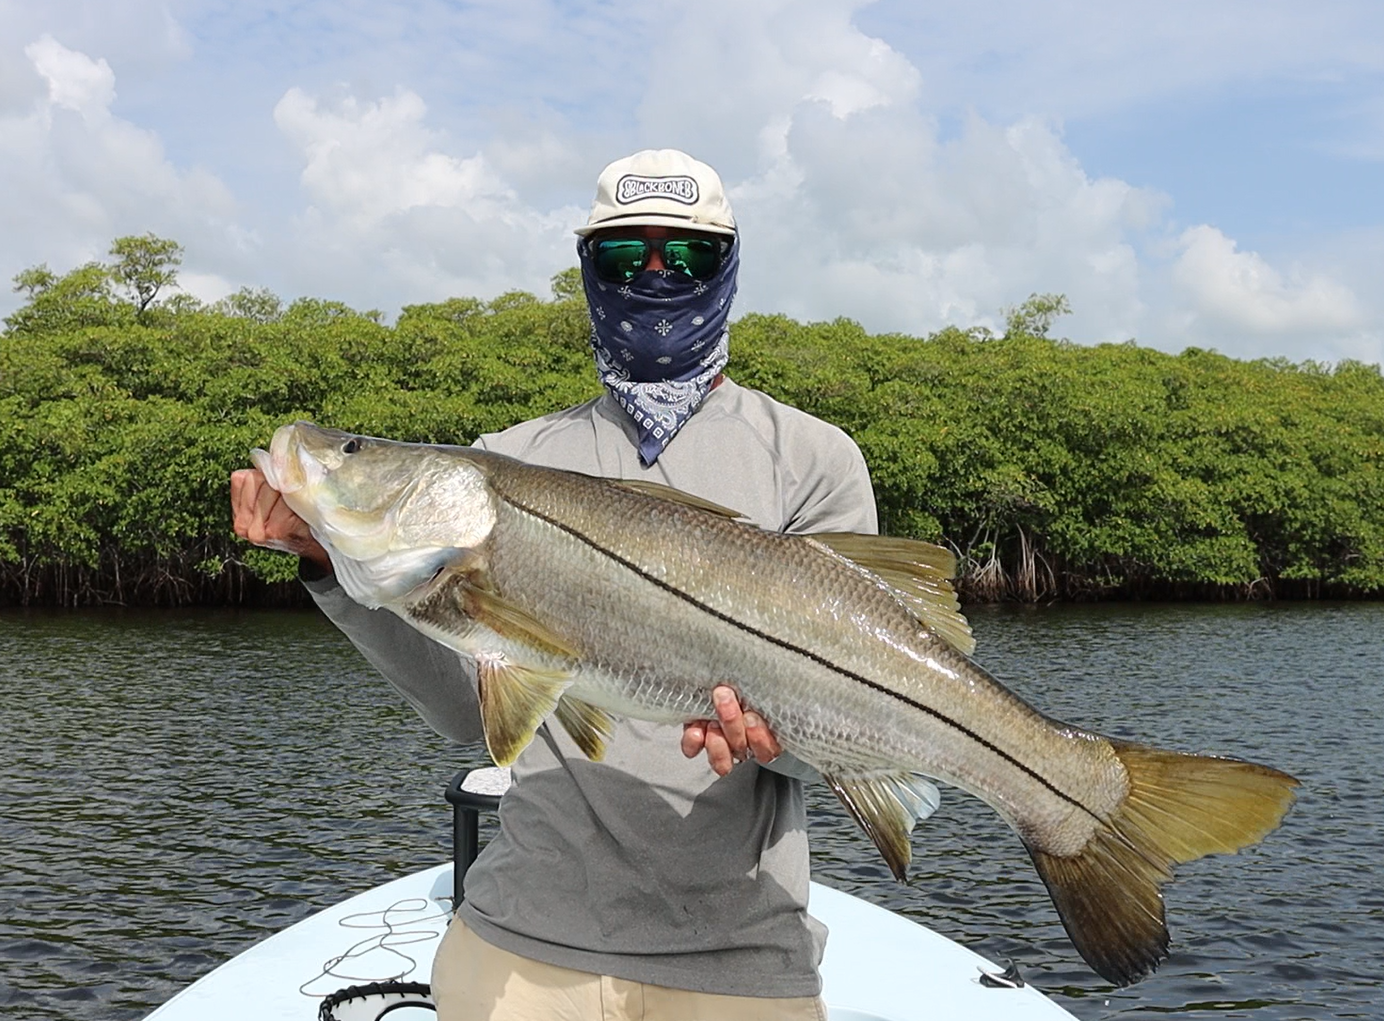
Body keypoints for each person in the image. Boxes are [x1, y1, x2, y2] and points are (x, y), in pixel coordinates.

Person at [231, 149, 879, 1021]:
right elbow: (473, 710)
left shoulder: (814, 461)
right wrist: (330, 567)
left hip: (742, 951)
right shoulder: (514, 456)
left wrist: (776, 739)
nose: (655, 274)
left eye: (685, 254)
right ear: (587, 271)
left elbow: (858, 727)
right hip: (523, 938)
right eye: (622, 256)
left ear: (729, 266)